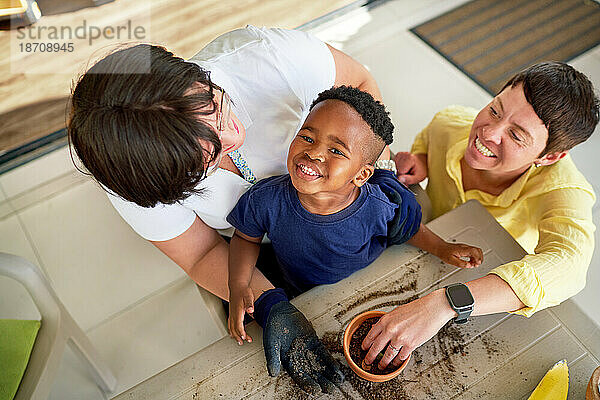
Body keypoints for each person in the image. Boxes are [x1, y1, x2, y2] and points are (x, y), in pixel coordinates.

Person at [67, 26, 419, 393]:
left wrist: (381, 172)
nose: (234, 138)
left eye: (217, 109)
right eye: (210, 157)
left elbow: (361, 87)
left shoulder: (271, 60)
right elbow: (201, 253)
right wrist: (270, 304)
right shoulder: (134, 176)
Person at [360, 61, 598, 371]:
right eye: (496, 110)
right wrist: (420, 159)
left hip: (483, 287)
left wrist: (446, 303)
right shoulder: (448, 123)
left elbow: (570, 266)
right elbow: (428, 140)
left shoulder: (566, 189)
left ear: (549, 156)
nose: (488, 132)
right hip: (425, 244)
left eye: (516, 135)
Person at [225, 86, 483, 351]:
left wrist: (442, 248)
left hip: (366, 286)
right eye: (307, 137)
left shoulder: (377, 205)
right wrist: (238, 284)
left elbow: (407, 230)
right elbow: (246, 237)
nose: (313, 153)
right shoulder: (265, 198)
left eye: (336, 151)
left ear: (361, 176)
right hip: (294, 288)